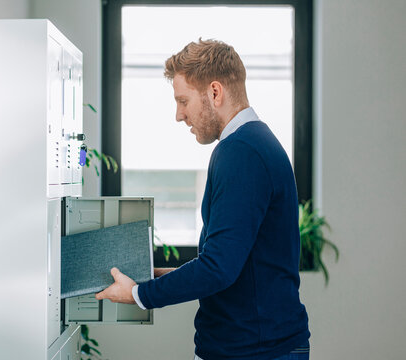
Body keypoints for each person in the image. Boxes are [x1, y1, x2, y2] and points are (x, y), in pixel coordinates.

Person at [96, 39, 310, 360]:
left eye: (183, 101)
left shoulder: (240, 152)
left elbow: (218, 269)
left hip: (254, 351)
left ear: (214, 92)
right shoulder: (255, 143)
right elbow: (235, 263)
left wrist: (139, 294)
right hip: (259, 345)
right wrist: (153, 276)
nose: (179, 115)